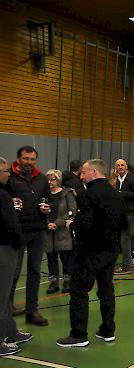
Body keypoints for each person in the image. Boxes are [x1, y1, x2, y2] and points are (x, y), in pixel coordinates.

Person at [56, 159, 127, 347]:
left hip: (90, 251)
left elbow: (85, 224)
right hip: (111, 250)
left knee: (79, 289)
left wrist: (73, 226)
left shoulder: (88, 195)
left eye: (84, 172)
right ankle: (107, 329)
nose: (81, 176)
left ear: (94, 172)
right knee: (106, 289)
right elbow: (124, 224)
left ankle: (78, 334)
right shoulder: (116, 194)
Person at [6, 145, 50, 326]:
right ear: (18, 159)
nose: (29, 162)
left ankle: (32, 311)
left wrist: (47, 208)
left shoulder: (41, 178)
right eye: (25, 159)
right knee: (13, 272)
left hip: (38, 230)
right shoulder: (8, 177)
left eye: (32, 159)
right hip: (17, 231)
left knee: (34, 272)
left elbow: (48, 199)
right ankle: (6, 308)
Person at [0, 156, 32, 356]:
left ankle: (10, 331)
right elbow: (10, 225)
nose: (8, 174)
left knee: (7, 294)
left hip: (8, 247)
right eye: (5, 171)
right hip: (5, 248)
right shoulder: (2, 196)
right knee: (2, 295)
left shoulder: (6, 193)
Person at [44, 169, 77, 294]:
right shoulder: (44, 195)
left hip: (63, 231)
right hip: (48, 231)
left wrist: (57, 223)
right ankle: (53, 282)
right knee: (51, 258)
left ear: (58, 180)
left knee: (66, 258)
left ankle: (68, 281)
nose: (50, 182)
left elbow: (71, 211)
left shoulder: (67, 193)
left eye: (53, 179)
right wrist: (47, 223)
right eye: (48, 179)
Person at [113, 159, 134, 275]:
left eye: (122, 165)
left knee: (125, 237)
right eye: (118, 165)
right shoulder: (117, 179)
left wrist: (122, 193)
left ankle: (126, 266)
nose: (120, 167)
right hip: (123, 212)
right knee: (132, 237)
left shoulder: (133, 178)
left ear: (126, 167)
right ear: (115, 167)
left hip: (132, 212)